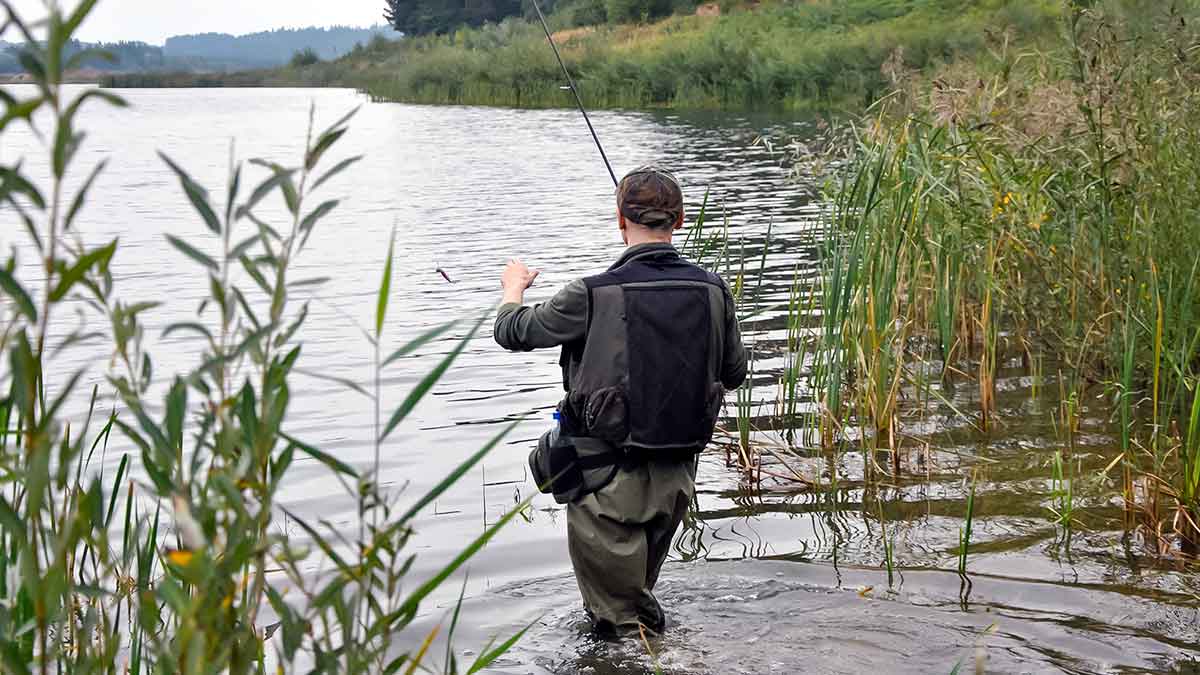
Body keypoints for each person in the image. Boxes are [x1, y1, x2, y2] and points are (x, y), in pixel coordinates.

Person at [493, 165, 747, 637]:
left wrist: (513, 289)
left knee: (620, 630)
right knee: (635, 613)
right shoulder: (714, 291)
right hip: (676, 480)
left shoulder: (590, 293)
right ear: (682, 219)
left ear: (619, 219)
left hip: (605, 482)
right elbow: (735, 372)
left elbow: (512, 332)